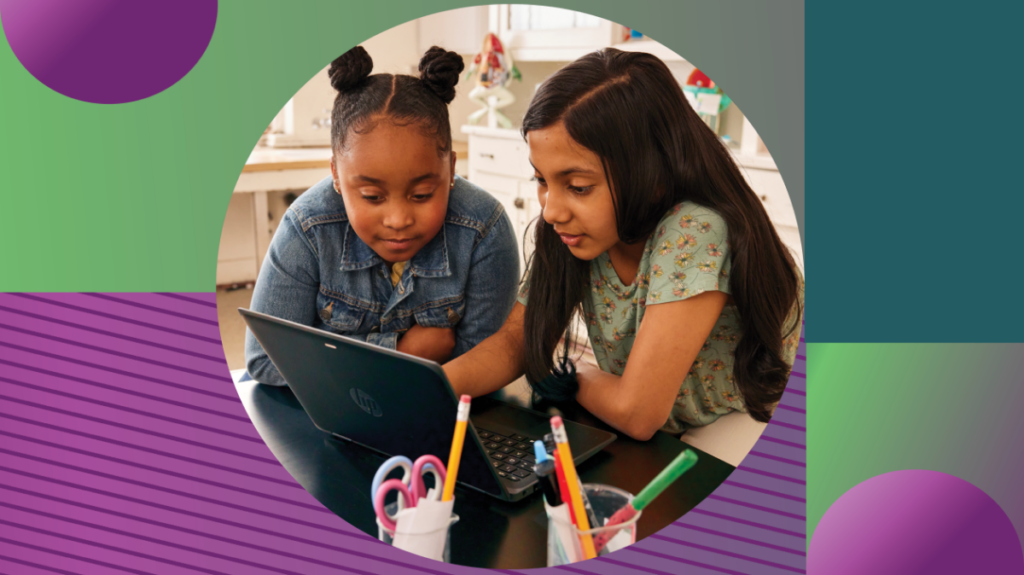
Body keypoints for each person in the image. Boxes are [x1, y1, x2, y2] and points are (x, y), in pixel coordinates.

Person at [444, 48, 803, 440]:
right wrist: (430, 387)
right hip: (671, 430)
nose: (550, 211)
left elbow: (636, 412)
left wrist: (570, 371)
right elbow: (517, 341)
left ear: (653, 178)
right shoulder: (575, 232)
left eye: (578, 187)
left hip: (752, 428)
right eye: (541, 180)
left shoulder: (695, 230)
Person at [246, 46, 520, 386]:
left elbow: (483, 361)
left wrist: (352, 365)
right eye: (372, 197)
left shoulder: (483, 229)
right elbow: (265, 360)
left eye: (421, 195)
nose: (398, 219)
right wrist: (401, 352)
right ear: (336, 173)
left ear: (450, 168)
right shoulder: (308, 226)